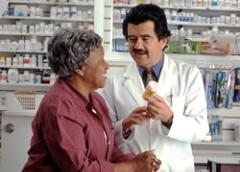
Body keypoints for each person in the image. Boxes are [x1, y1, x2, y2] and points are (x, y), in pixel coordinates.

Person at [22, 28, 161, 172]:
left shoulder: (95, 99)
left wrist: (137, 161)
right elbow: (81, 169)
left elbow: (108, 148)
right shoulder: (59, 106)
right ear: (79, 68)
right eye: (100, 60)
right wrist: (132, 167)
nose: (107, 66)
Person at [100, 4, 209, 172]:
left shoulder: (188, 75)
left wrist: (169, 118)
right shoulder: (114, 81)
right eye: (132, 39)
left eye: (145, 38)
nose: (137, 46)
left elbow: (200, 129)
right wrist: (125, 126)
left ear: (164, 40)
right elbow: (103, 135)